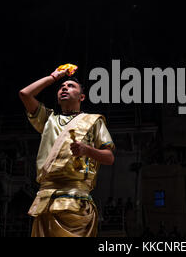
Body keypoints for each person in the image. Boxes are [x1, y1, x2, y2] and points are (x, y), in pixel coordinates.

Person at [19, 66, 115, 237]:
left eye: (71, 86)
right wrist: (54, 77)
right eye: (61, 87)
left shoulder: (93, 121)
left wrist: (87, 150)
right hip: (46, 201)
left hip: (77, 201)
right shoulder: (49, 120)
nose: (64, 88)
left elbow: (109, 158)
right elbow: (25, 94)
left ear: (82, 97)